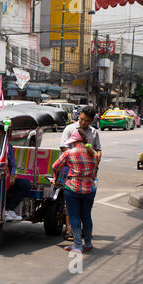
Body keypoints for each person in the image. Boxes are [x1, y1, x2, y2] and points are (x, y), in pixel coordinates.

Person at [60, 105, 101, 241]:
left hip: (90, 174)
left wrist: (95, 164)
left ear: (92, 121)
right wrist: (76, 158)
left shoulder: (94, 133)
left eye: (87, 121)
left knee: (85, 206)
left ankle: (83, 234)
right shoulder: (70, 129)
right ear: (80, 115)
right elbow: (64, 147)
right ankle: (69, 230)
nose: (84, 123)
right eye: (82, 119)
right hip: (71, 171)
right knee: (70, 203)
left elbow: (98, 150)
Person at [53, 128, 97, 253]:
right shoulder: (93, 153)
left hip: (73, 188)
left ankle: (77, 245)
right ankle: (88, 243)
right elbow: (94, 170)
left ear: (75, 141)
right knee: (86, 216)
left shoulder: (69, 153)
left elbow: (55, 166)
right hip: (89, 188)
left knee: (74, 217)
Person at [5, 129, 32, 221]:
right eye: (6, 133)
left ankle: (8, 209)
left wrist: (12, 176)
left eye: (9, 135)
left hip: (5, 177)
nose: (8, 136)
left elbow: (13, 165)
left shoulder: (9, 147)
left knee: (26, 184)